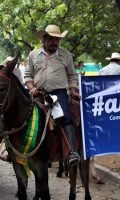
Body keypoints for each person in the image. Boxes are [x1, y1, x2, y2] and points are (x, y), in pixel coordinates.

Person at [24, 24, 80, 167]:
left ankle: (72, 153)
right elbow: (28, 75)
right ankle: (18, 150)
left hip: (59, 93)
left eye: (57, 40)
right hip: (38, 93)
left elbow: (72, 75)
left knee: (66, 117)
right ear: (44, 39)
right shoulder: (33, 55)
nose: (54, 42)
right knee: (25, 117)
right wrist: (31, 88)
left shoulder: (66, 55)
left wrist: (73, 89)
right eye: (51, 39)